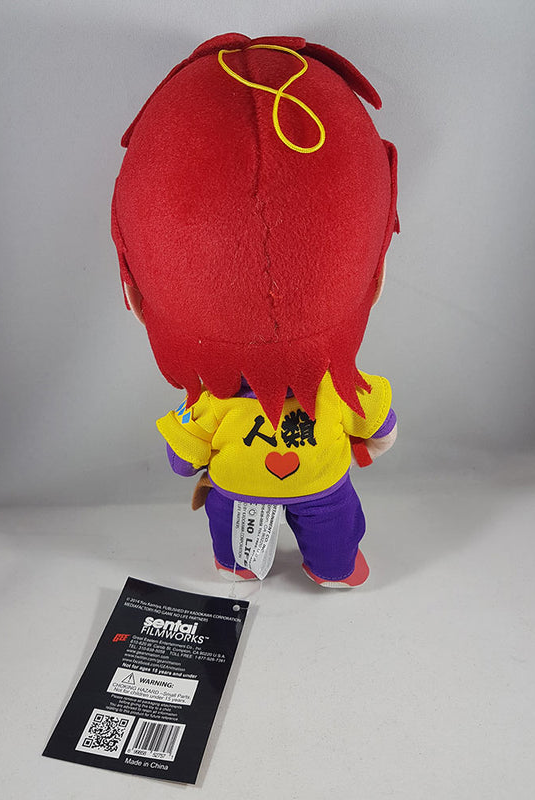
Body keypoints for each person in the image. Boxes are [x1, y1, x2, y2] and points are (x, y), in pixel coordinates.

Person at [112, 33, 399, 587]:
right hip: (323, 482)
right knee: (334, 523)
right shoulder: (339, 390)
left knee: (230, 526)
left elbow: (181, 457)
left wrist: (189, 458)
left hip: (236, 488)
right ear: (377, 274)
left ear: (135, 294)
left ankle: (236, 564)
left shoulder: (213, 404)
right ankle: (335, 568)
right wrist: (370, 440)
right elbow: (381, 426)